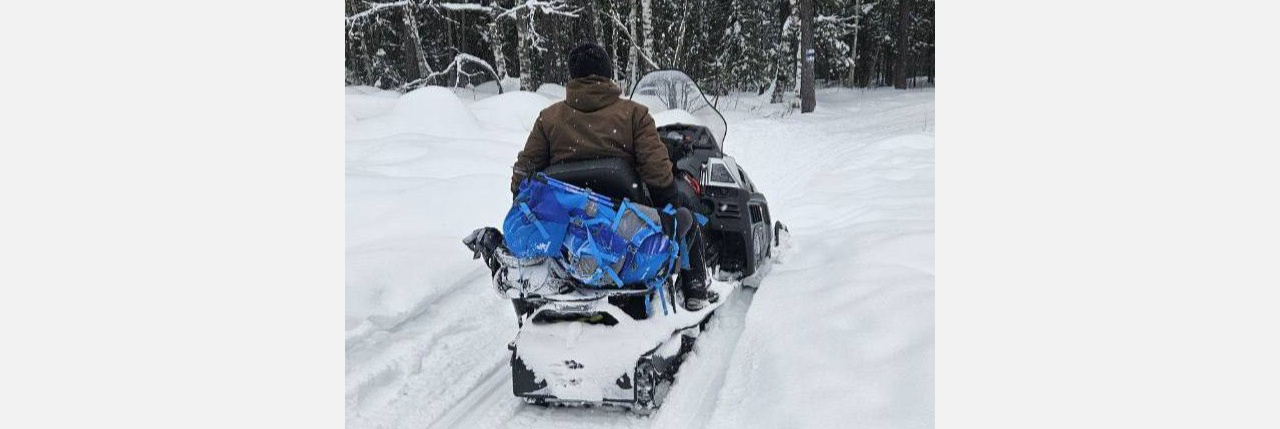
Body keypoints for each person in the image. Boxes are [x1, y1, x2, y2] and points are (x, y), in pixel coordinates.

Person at [509, 41, 718, 311]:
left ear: (572, 75)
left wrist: (521, 200)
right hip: (626, 227)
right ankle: (694, 288)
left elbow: (524, 172)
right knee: (686, 206)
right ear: (607, 74)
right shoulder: (634, 114)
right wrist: (668, 203)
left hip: (569, 231)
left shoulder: (549, 119)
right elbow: (656, 170)